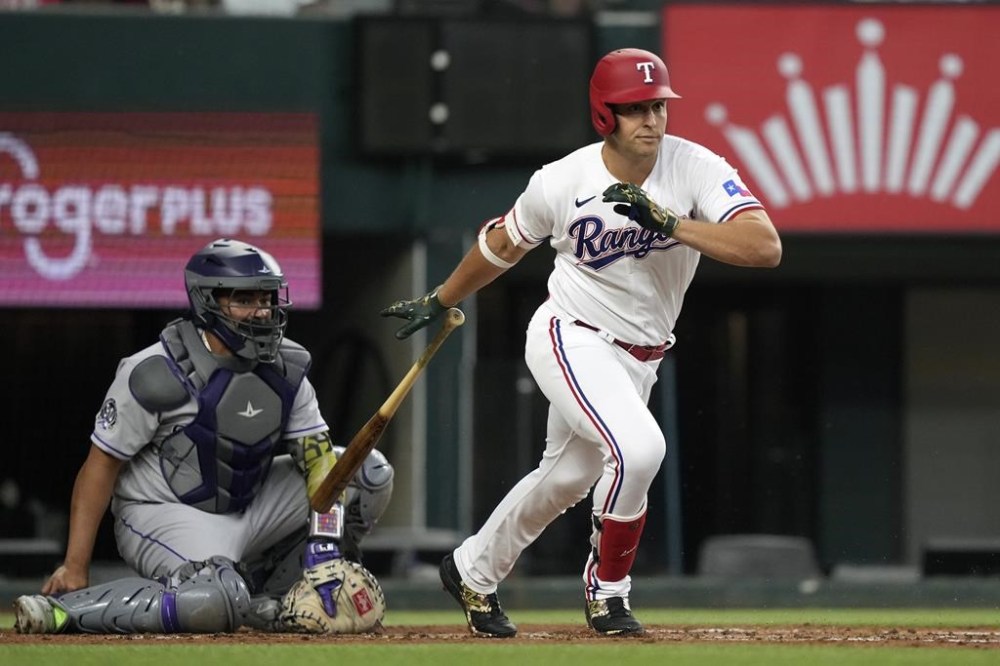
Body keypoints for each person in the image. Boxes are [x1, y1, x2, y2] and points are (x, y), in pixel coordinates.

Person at [381, 48, 782, 637]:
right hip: (571, 335)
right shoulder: (563, 180)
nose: (652, 119)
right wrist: (442, 298)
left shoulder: (695, 167)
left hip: (641, 357)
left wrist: (668, 223)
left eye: (658, 106)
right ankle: (608, 592)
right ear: (604, 115)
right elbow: (503, 245)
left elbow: (764, 247)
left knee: (566, 478)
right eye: (635, 109)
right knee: (640, 449)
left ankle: (471, 570)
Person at [14, 238, 393, 635]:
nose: (262, 311)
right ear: (207, 302)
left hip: (249, 504)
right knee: (216, 600)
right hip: (164, 511)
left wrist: (325, 544)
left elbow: (319, 462)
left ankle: (284, 597)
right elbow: (100, 466)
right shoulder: (153, 371)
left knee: (367, 473)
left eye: (266, 298)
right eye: (245, 300)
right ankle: (63, 611)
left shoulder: (288, 366)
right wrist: (75, 566)